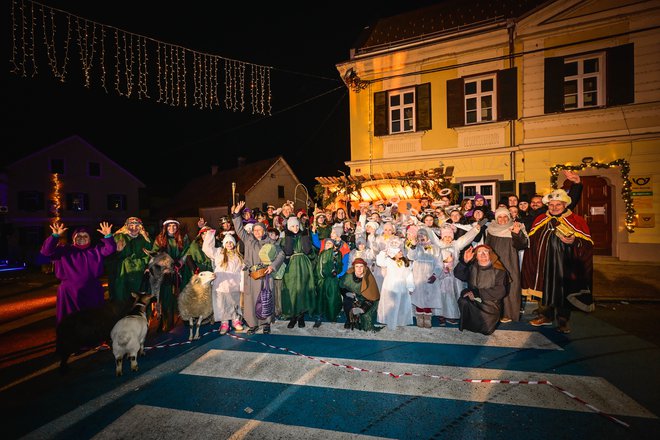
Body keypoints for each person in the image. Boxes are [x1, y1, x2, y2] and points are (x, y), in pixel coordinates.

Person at [522, 189, 593, 334]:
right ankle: (545, 316)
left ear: (565, 205)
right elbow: (532, 241)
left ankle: (563, 321)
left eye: (558, 205)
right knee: (543, 289)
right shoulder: (541, 219)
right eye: (551, 205)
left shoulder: (576, 220)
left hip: (565, 265)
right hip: (543, 263)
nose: (554, 208)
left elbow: (587, 244)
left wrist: (574, 240)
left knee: (563, 290)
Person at [40, 221, 116, 324]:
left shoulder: (96, 250)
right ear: (73, 238)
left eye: (85, 236)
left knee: (92, 319)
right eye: (78, 235)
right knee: (70, 321)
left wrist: (108, 235)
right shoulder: (64, 250)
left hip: (92, 291)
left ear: (90, 238)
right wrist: (55, 235)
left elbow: (111, 249)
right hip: (70, 293)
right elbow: (46, 251)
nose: (82, 237)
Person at [232, 201, 285, 334]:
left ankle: (266, 324)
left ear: (264, 230)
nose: (256, 232)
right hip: (251, 275)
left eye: (259, 230)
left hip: (265, 275)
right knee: (250, 300)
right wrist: (236, 214)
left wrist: (273, 266)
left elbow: (281, 254)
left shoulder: (271, 241)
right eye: (255, 230)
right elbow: (238, 228)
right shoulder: (248, 239)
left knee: (265, 298)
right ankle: (252, 324)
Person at [454, 245, 511, 335]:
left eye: (485, 251)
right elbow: (458, 275)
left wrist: (477, 293)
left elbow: (500, 291)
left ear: (490, 254)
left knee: (486, 330)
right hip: (474, 301)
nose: (483, 254)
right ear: (476, 255)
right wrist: (464, 262)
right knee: (463, 300)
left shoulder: (499, 271)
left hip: (489, 305)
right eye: (479, 252)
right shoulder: (472, 267)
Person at [485, 207, 529, 323]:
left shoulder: (515, 227)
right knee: (496, 287)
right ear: (496, 218)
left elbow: (522, 244)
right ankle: (496, 313)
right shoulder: (491, 229)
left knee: (511, 287)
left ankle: (509, 314)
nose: (503, 219)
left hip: (510, 262)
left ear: (509, 217)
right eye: (499, 217)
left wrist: (517, 233)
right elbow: (487, 246)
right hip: (495, 263)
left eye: (505, 216)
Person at [150, 218, 191, 332]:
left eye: (174, 226)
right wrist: (164, 264)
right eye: (169, 226)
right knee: (166, 297)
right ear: (165, 227)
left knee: (181, 294)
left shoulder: (183, 237)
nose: (171, 228)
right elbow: (155, 254)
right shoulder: (160, 238)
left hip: (180, 270)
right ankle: (166, 321)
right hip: (165, 272)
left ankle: (184, 317)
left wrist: (181, 262)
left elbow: (187, 251)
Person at [203, 231, 244, 335]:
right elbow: (207, 249)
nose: (229, 244)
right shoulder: (219, 252)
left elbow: (241, 270)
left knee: (234, 303)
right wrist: (210, 235)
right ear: (224, 244)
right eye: (227, 242)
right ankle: (224, 323)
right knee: (222, 303)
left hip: (234, 283)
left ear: (234, 244)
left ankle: (235, 320)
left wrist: (242, 284)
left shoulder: (238, 255)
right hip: (221, 283)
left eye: (231, 242)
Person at [282, 216, 317, 328]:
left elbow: (309, 251)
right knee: (292, 291)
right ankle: (293, 316)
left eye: (297, 225)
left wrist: (305, 238)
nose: (295, 228)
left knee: (303, 290)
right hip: (291, 267)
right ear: (288, 227)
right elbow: (286, 252)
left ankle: (301, 316)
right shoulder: (286, 238)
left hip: (303, 265)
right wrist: (288, 238)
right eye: (292, 226)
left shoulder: (304, 236)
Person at [107, 216, 150, 305]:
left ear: (141, 227)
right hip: (122, 273)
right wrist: (117, 252)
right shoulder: (118, 237)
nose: (134, 228)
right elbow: (109, 256)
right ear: (126, 226)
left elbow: (150, 256)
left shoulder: (145, 239)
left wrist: (147, 265)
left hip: (139, 273)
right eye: (131, 225)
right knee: (122, 298)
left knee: (138, 300)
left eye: (137, 225)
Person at [376, 241, 415, 330]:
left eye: (401, 251)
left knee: (402, 303)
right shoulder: (389, 261)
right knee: (391, 304)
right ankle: (390, 319)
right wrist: (383, 252)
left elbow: (409, 275)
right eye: (399, 252)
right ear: (393, 254)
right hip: (390, 286)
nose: (401, 253)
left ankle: (400, 320)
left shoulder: (405, 263)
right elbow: (380, 262)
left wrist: (410, 286)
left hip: (402, 286)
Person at [340, 258, 381, 331]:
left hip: (366, 299)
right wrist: (347, 292)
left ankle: (361, 310)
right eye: (357, 266)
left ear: (364, 267)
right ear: (354, 267)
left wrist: (363, 307)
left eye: (361, 266)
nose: (359, 269)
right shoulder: (348, 275)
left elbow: (372, 295)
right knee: (347, 301)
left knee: (366, 322)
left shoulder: (368, 277)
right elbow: (341, 287)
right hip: (353, 297)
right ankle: (350, 320)